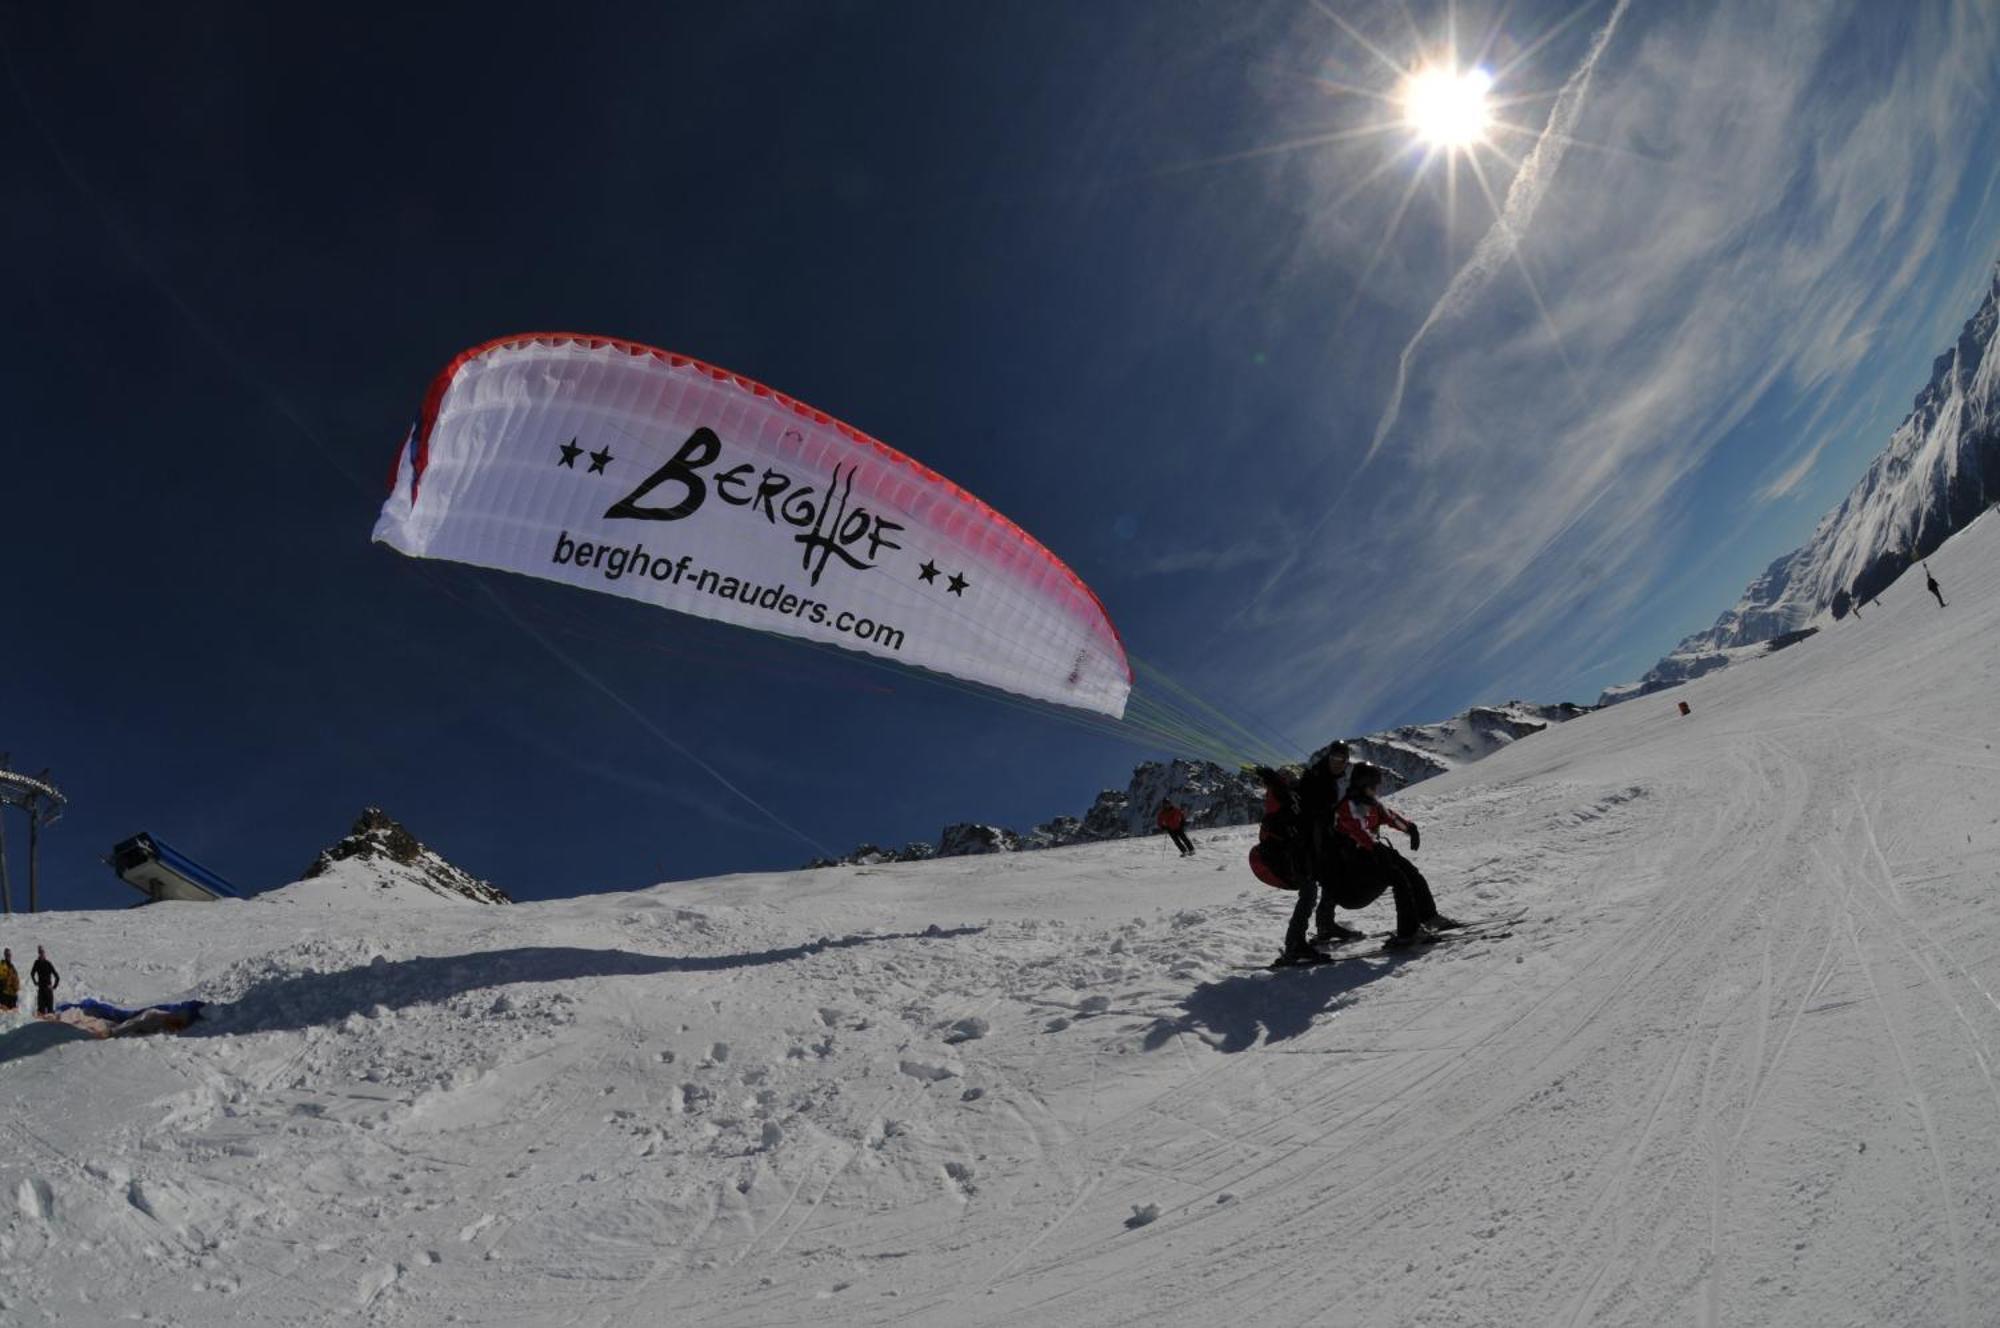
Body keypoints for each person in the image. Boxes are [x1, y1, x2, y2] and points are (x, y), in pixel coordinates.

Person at [1333, 764, 1464, 948]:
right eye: (1373, 785)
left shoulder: (1372, 803)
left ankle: (1429, 917)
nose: (1376, 789)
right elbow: (1359, 830)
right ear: (1362, 784)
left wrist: (1409, 828)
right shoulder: (1348, 806)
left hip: (1373, 850)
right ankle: (1408, 933)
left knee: (1411, 872)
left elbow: (1390, 817)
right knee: (1398, 878)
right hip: (1355, 860)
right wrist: (1375, 847)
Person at [1251, 766, 1323, 964]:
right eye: (1289, 776)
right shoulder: (1280, 795)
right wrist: (1272, 778)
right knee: (1308, 894)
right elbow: (1278, 792)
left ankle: (1319, 929)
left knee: (1312, 891)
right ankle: (1294, 944)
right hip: (1287, 856)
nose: (1294, 778)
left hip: (1296, 853)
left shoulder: (1295, 796)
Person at [1296, 743, 1366, 945]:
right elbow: (1313, 812)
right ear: (1328, 758)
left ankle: (1325, 925)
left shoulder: (1330, 778)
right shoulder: (1317, 778)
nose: (1339, 764)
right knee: (1309, 892)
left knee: (1333, 880)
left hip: (1324, 839)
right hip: (1310, 843)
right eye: (1335, 759)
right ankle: (1296, 943)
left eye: (1343, 761)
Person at [29, 946, 59, 1017]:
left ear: (44, 953)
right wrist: (35, 982)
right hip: (41, 990)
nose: (41, 954)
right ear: (38, 953)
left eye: (42, 952)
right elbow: (32, 973)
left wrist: (54, 987)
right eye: (40, 952)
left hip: (48, 990)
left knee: (50, 1012)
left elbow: (57, 977)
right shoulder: (36, 963)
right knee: (41, 1013)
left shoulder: (48, 963)